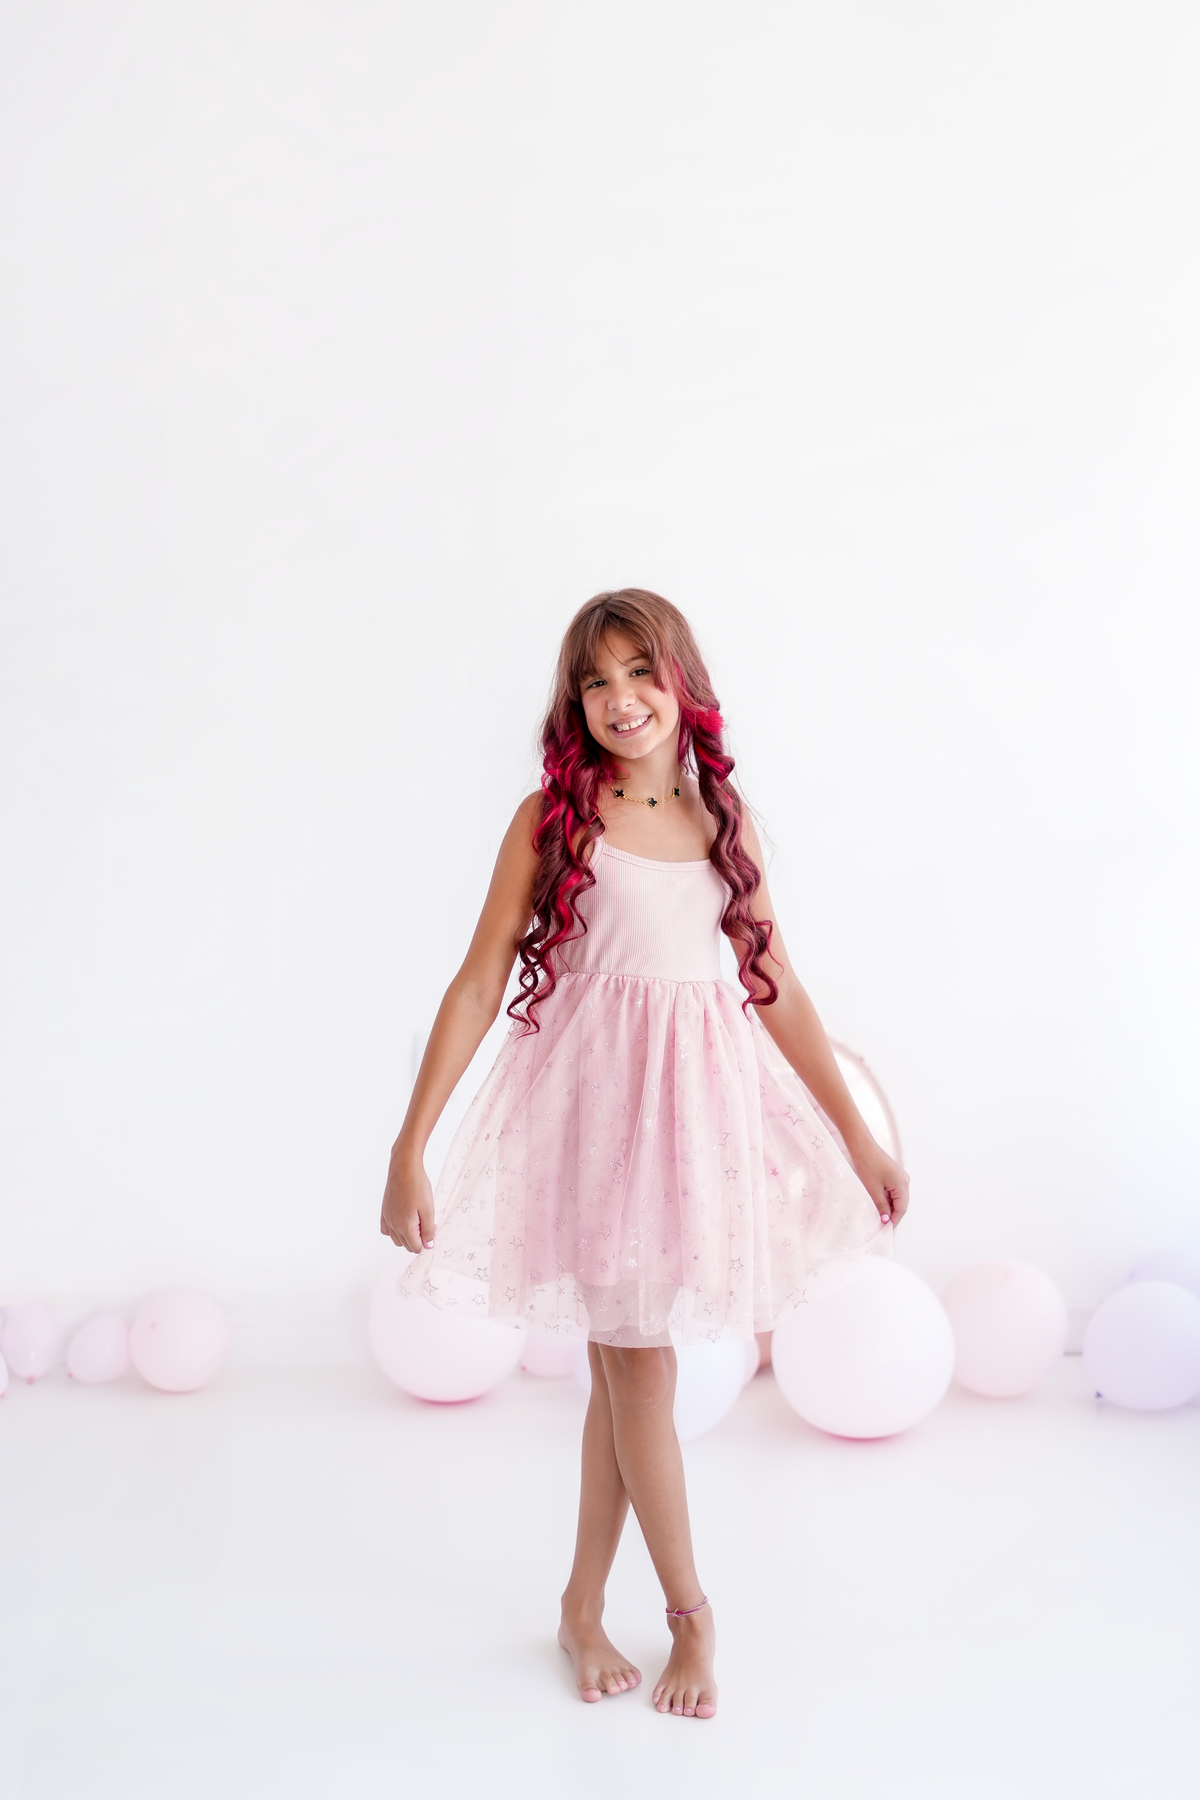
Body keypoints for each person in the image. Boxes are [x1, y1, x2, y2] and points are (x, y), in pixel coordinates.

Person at [380, 589, 909, 1719]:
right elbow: (478, 983)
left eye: (639, 673)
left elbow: (777, 987)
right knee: (638, 1367)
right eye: (595, 682)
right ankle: (690, 1615)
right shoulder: (554, 818)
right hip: (589, 1116)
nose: (620, 700)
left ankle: (581, 1606)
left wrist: (856, 1136)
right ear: (574, 703)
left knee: (627, 1372)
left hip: (689, 1127)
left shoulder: (724, 820)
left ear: (682, 684)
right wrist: (409, 1143)